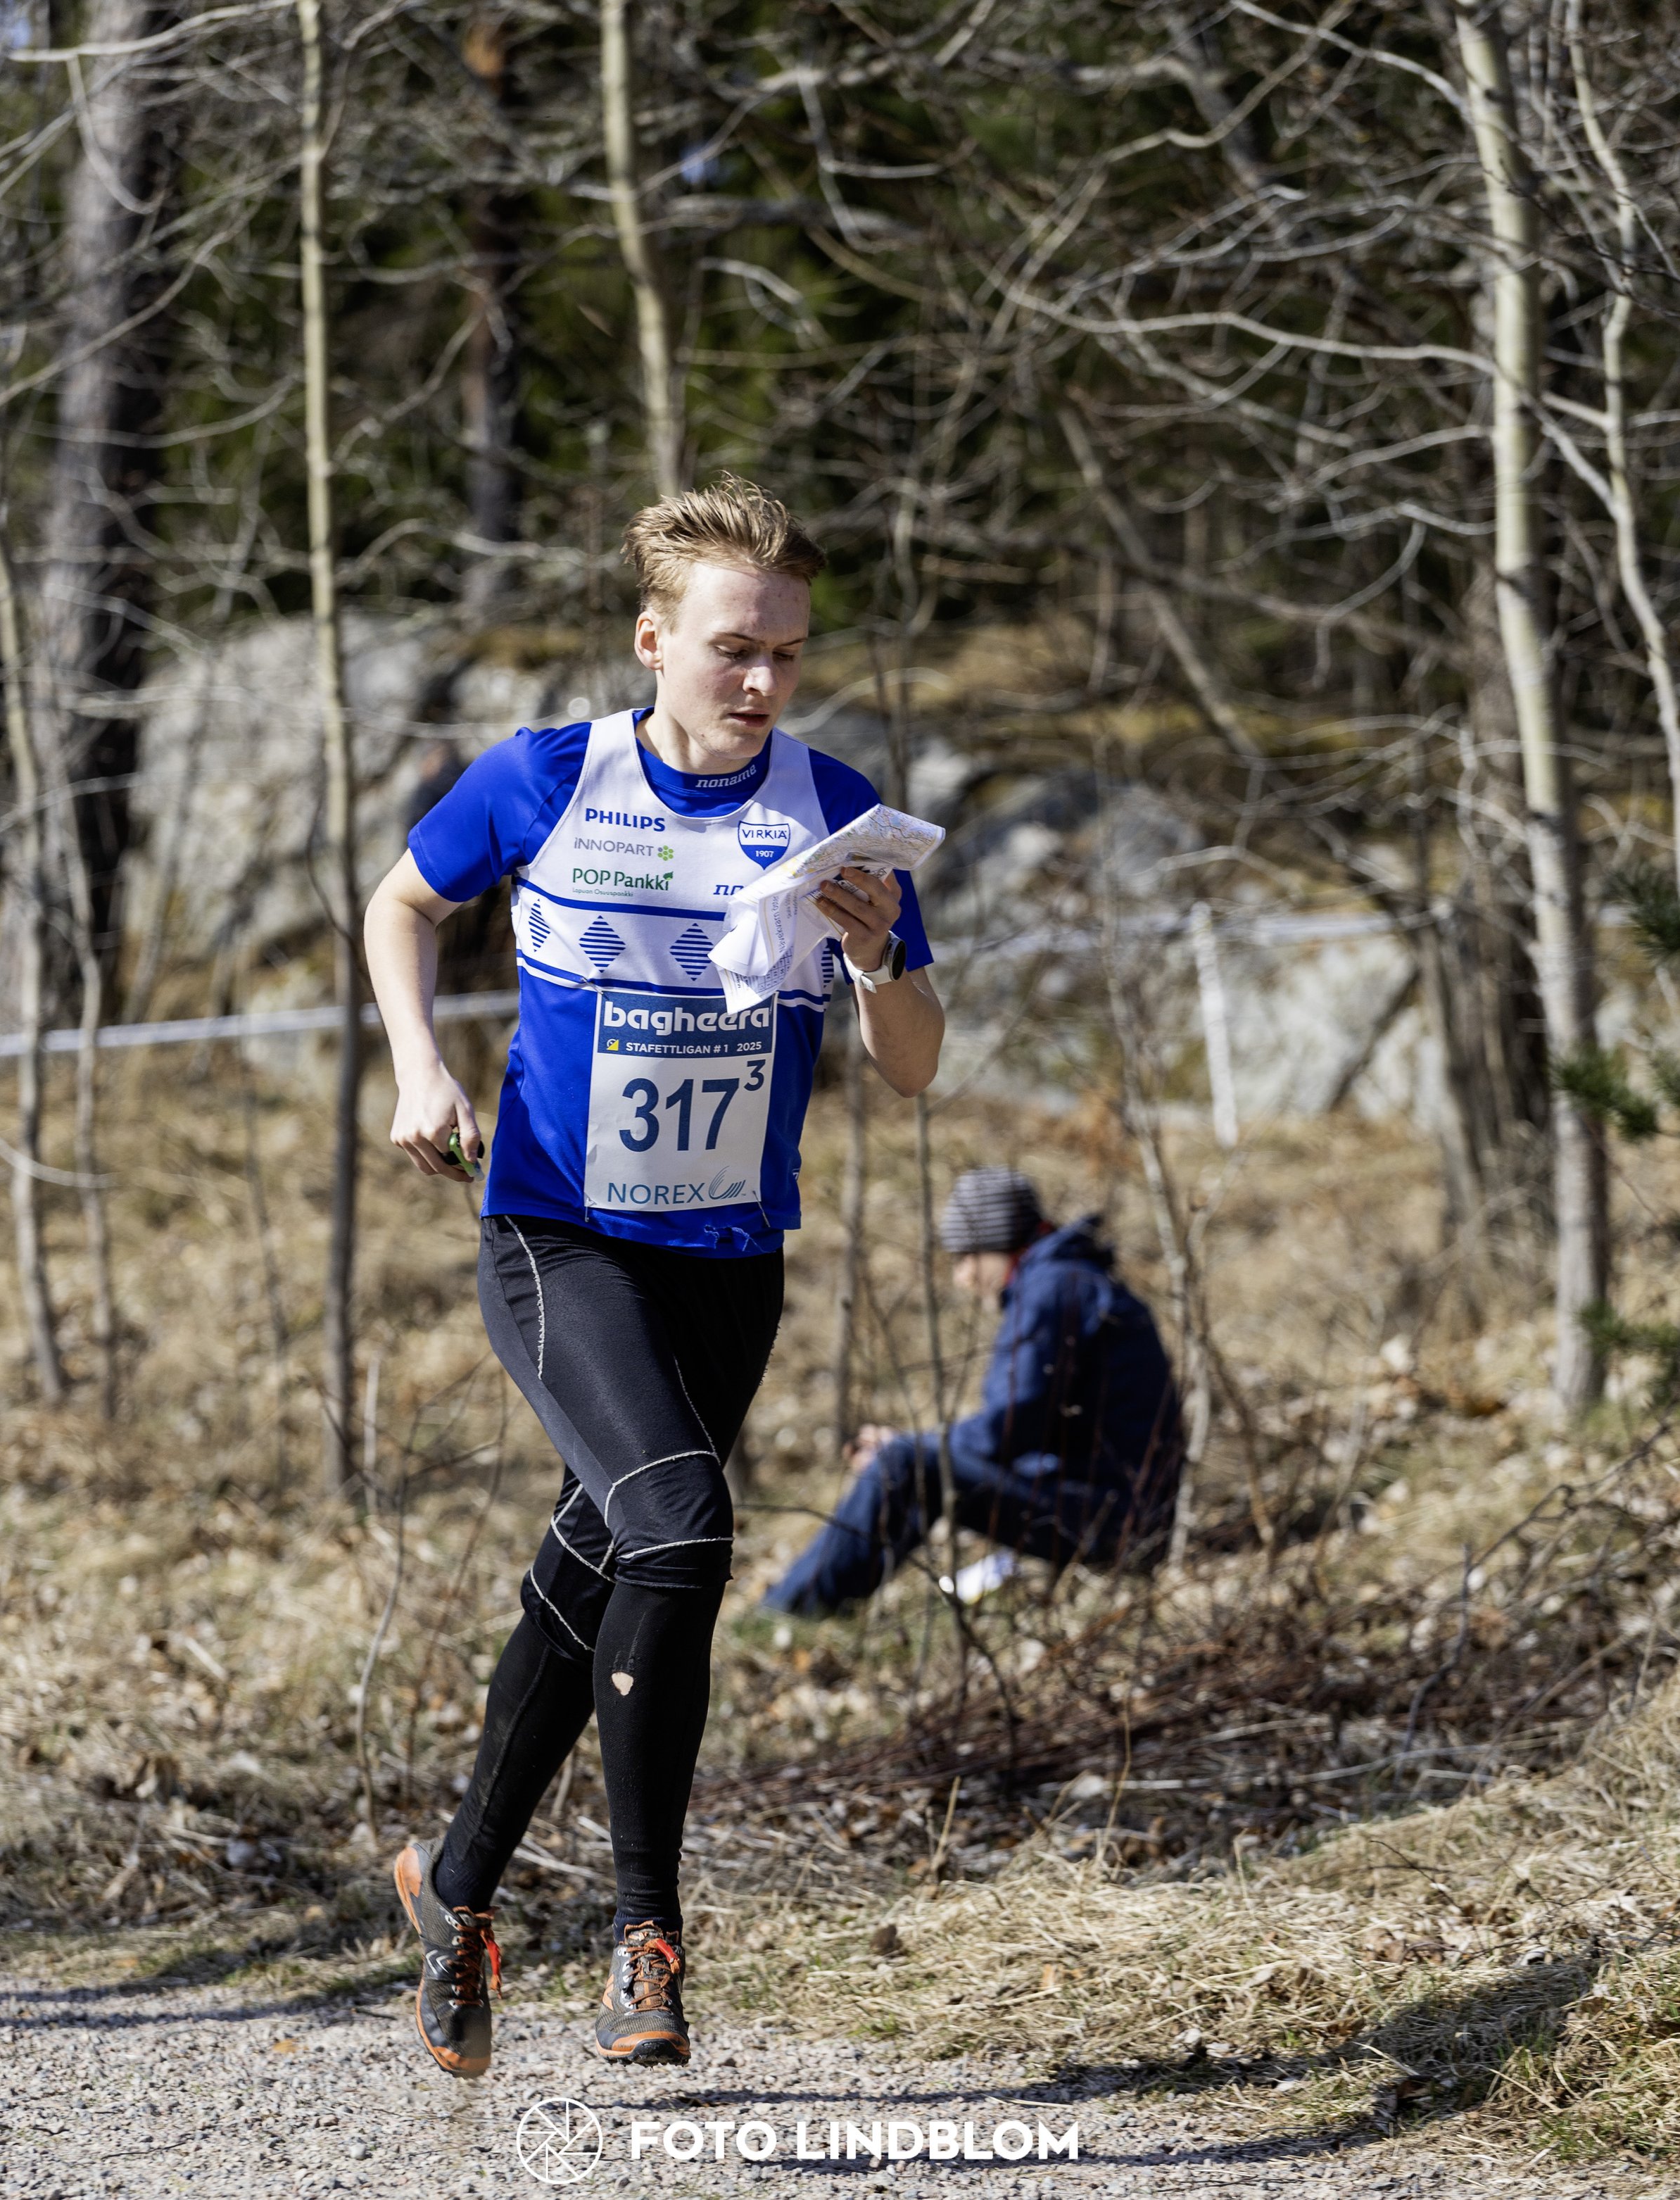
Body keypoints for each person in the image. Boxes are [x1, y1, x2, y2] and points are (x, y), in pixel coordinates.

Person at [363, 476, 943, 2077]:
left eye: (789, 654)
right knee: (681, 1530)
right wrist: (421, 1066)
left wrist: (883, 953)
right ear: (654, 640)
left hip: (727, 1261)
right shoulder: (552, 778)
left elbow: (912, 1066)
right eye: (733, 649)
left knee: (601, 1549)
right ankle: (643, 1929)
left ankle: (456, 1881)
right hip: (559, 1234)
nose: (763, 682)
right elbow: (402, 906)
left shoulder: (834, 809)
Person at [764, 1169, 1182, 1616]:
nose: (963, 1278)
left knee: (903, 1464)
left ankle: (793, 1612)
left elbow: (1009, 1426)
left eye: (967, 1257)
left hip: (1112, 1520)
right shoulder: (1069, 1280)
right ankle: (823, 1603)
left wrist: (908, 1446)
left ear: (999, 1243)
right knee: (915, 1463)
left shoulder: (1051, 1292)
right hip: (1115, 1507)